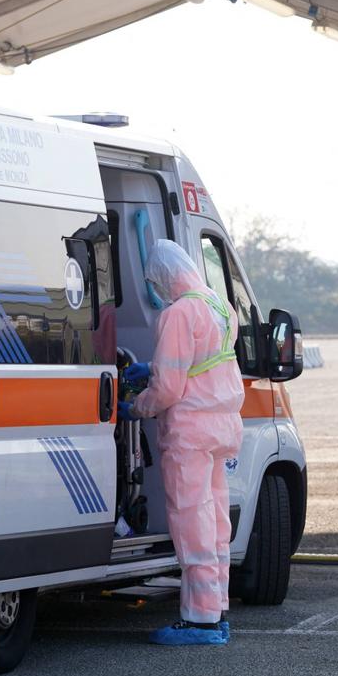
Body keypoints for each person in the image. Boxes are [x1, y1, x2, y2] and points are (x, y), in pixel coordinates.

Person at [119, 240, 244, 646]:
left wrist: (135, 407)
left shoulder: (178, 313)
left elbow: (170, 388)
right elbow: (201, 364)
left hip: (189, 431)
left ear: (164, 279)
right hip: (222, 427)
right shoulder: (220, 307)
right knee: (215, 523)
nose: (154, 291)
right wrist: (152, 369)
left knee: (192, 524)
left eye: (154, 283)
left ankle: (200, 622)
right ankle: (217, 611)